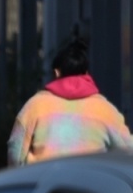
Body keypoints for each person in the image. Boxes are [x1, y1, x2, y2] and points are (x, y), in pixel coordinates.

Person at [8, 36, 133, 165]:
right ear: (86, 72)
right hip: (90, 177)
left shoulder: (35, 106)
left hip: (45, 175)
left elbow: (15, 151)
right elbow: (128, 149)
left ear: (57, 72)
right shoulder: (105, 109)